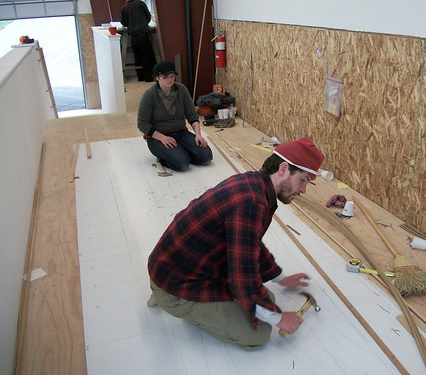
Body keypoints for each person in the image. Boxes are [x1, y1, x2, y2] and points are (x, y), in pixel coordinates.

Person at [148, 137, 325, 349]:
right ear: (284, 168)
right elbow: (243, 278)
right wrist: (279, 319)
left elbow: (251, 245)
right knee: (258, 334)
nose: (304, 190)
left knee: (265, 298)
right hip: (177, 285)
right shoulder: (251, 203)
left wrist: (281, 279)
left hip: (176, 267)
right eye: (304, 180)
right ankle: (169, 300)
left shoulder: (253, 184)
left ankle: (167, 292)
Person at [137, 61, 213, 171]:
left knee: (206, 157)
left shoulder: (181, 90)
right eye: (165, 77)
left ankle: (180, 153)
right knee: (182, 164)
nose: (170, 79)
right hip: (158, 138)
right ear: (157, 78)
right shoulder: (150, 95)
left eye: (172, 76)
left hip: (180, 133)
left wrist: (198, 135)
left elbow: (192, 115)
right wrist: (162, 138)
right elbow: (142, 124)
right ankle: (167, 157)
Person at [120, 0, 157, 82]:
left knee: (137, 56)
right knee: (147, 55)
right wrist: (143, 23)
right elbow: (148, 16)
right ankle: (148, 78)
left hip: (133, 35)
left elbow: (123, 22)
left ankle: (141, 77)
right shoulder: (140, 3)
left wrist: (131, 24)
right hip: (143, 33)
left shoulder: (124, 8)